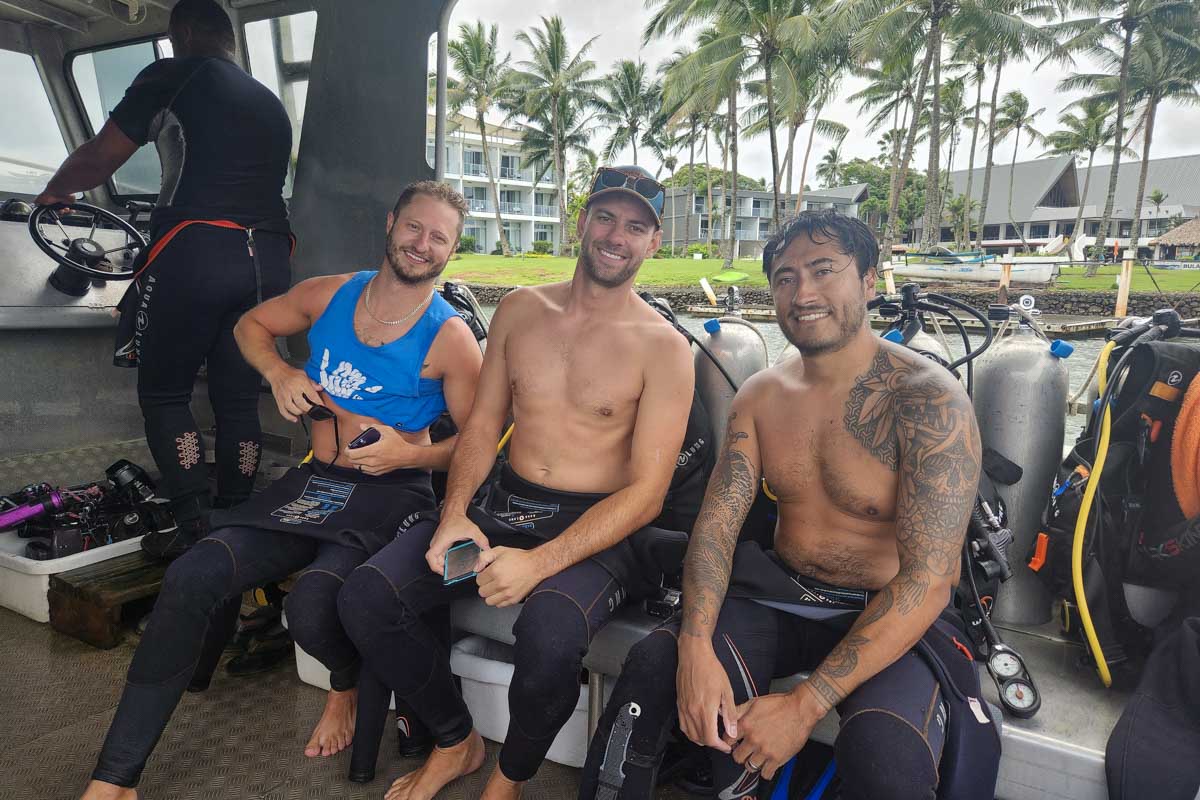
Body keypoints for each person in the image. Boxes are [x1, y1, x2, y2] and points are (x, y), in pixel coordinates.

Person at [77, 181, 483, 800]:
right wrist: (279, 370)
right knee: (193, 574)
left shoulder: (448, 337)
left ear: (452, 249)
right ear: (390, 224)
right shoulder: (329, 295)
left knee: (311, 611)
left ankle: (344, 685)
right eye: (413, 228)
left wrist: (414, 453)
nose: (421, 244)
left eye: (439, 237)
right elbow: (249, 326)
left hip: (390, 493)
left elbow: (482, 441)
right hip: (315, 484)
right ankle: (114, 780)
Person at [580, 209, 1001, 800]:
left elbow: (930, 581)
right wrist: (694, 646)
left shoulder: (928, 401)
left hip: (891, 610)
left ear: (870, 280)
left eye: (824, 270)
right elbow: (716, 532)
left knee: (887, 758)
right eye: (784, 278)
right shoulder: (762, 397)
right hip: (786, 596)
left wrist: (805, 706)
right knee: (655, 666)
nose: (803, 293)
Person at [336, 165, 695, 800]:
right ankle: (455, 740)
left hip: (598, 529)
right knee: (369, 597)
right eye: (606, 218)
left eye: (636, 226)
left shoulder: (663, 348)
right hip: (502, 512)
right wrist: (455, 514)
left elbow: (648, 494)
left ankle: (508, 779)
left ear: (654, 241)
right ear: (581, 221)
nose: (617, 236)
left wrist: (540, 564)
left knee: (550, 636)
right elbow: (481, 428)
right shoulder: (522, 310)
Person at [35, 0, 295, 558]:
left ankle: (194, 525)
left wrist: (57, 192)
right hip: (270, 259)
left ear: (180, 34)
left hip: (197, 252)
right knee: (238, 398)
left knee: (164, 392)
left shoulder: (171, 76)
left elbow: (100, 157)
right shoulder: (269, 101)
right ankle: (236, 515)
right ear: (230, 39)